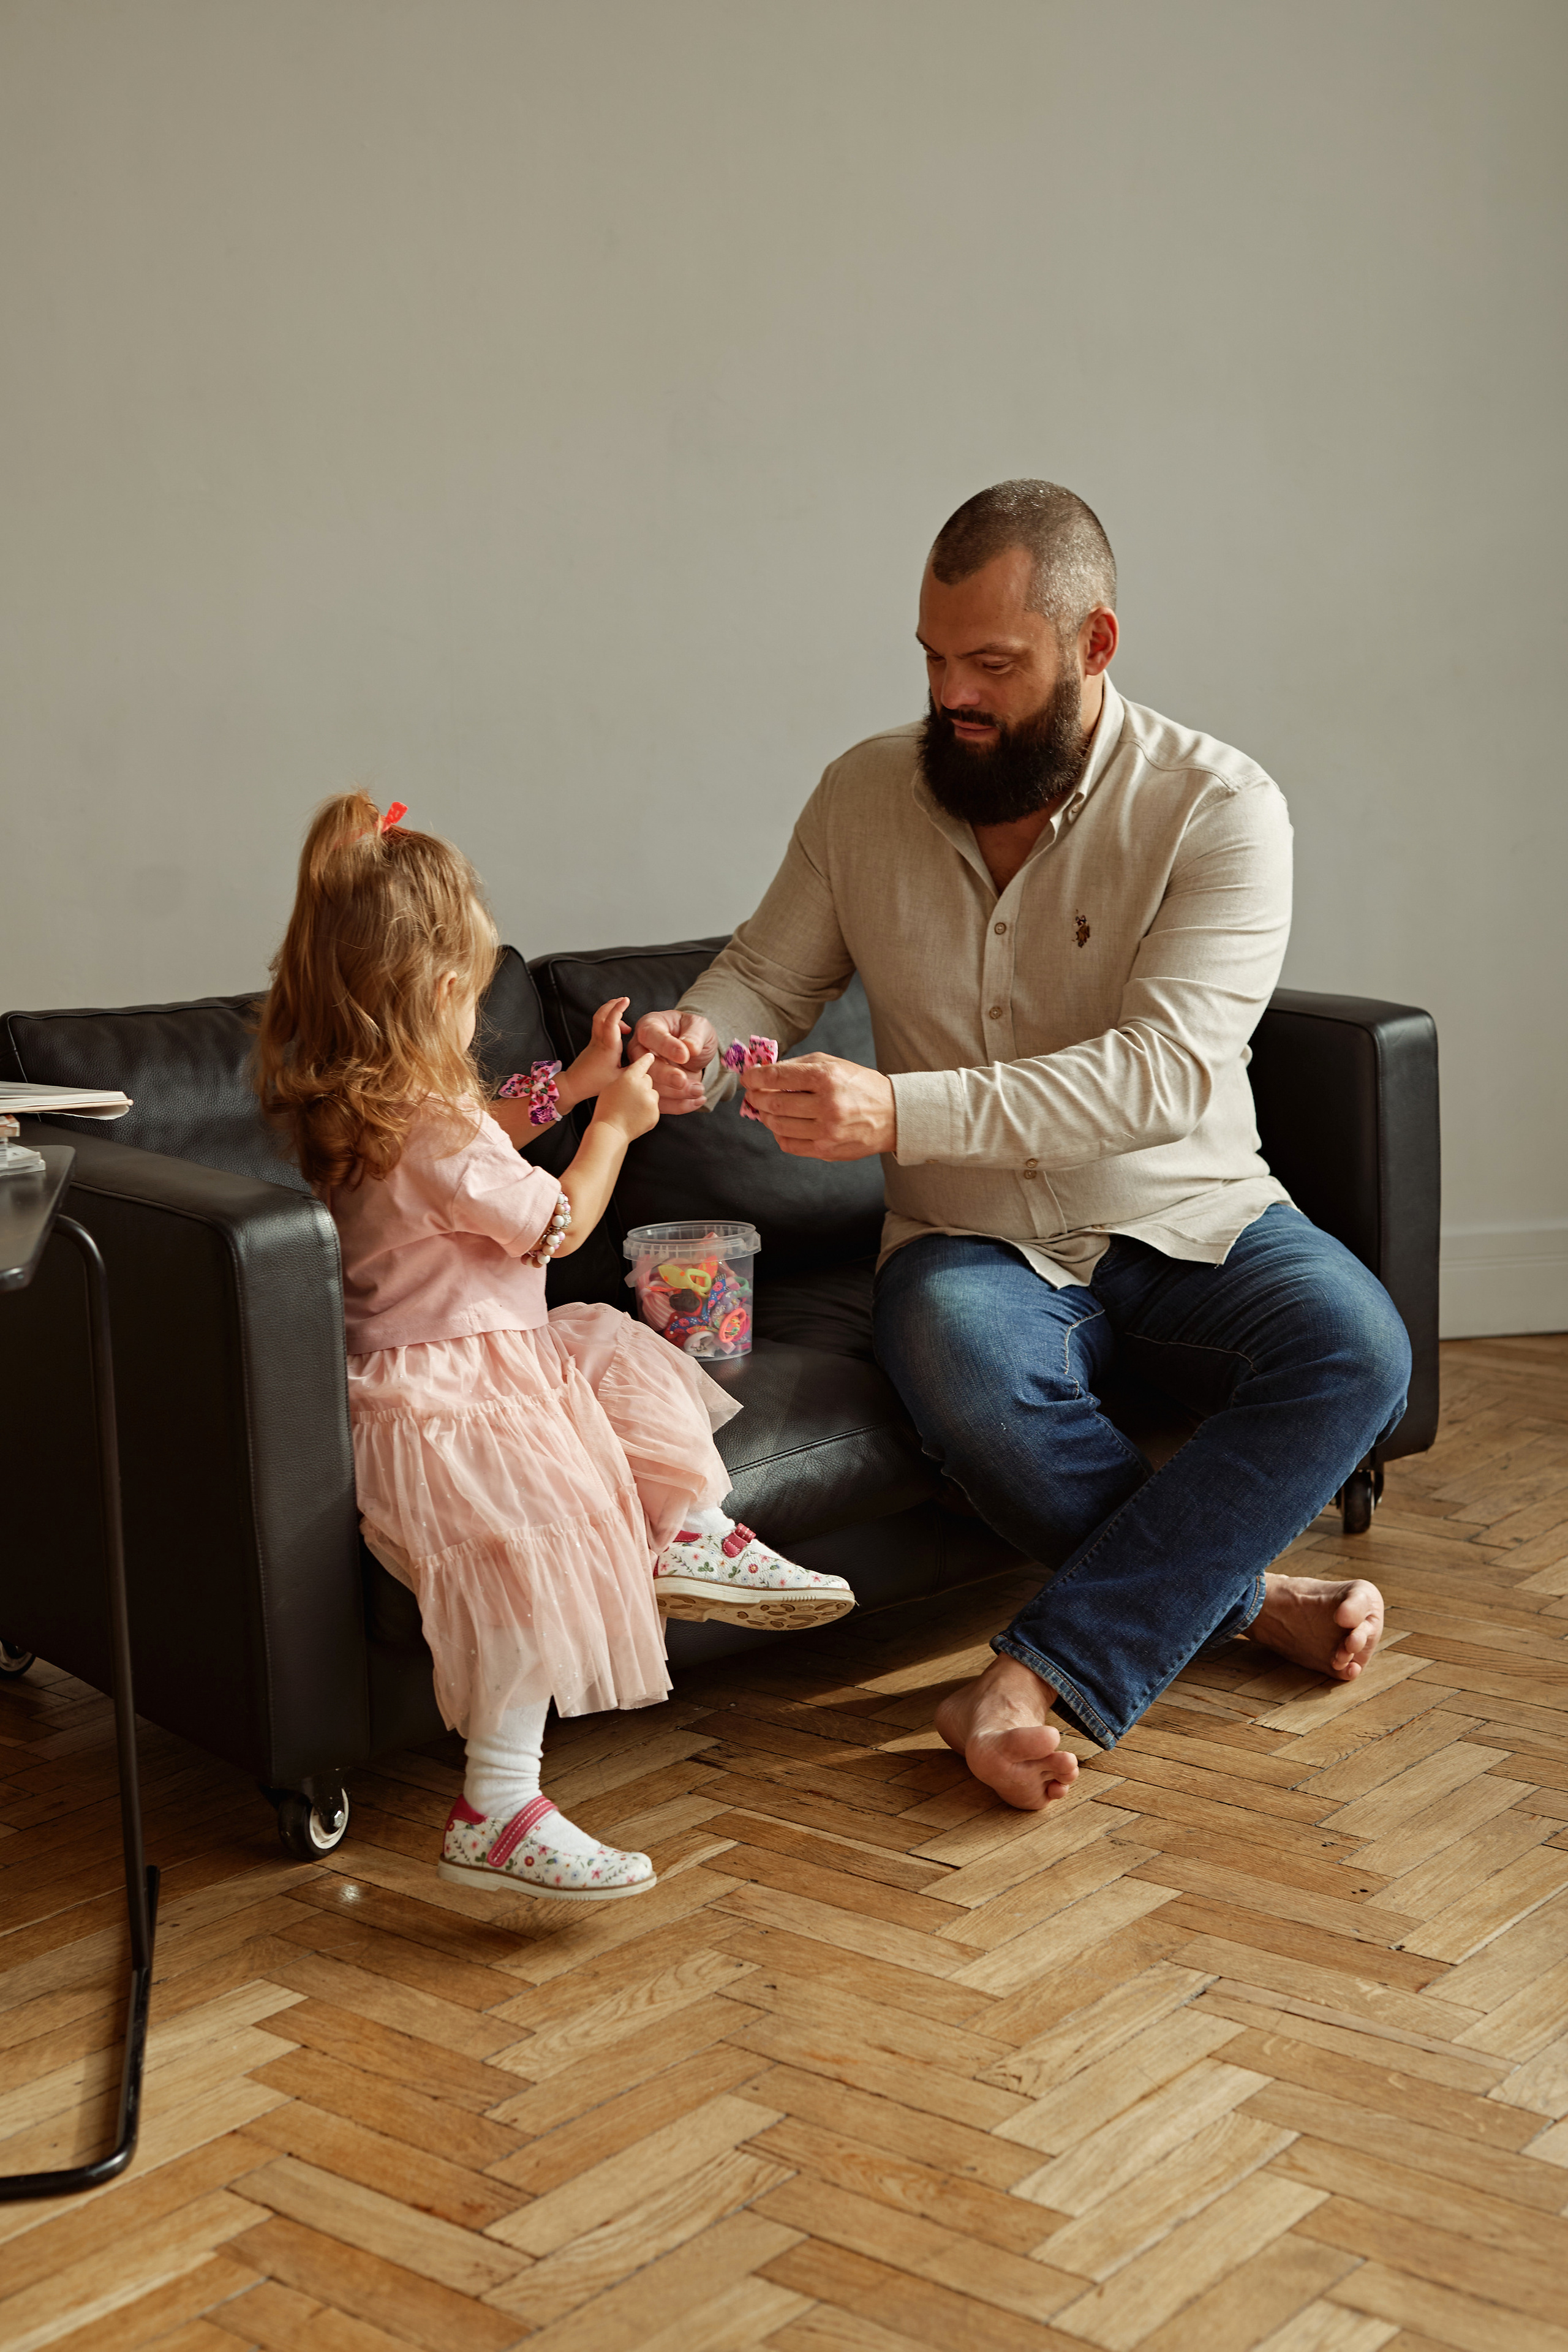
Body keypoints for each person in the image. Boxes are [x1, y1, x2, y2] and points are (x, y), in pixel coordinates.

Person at [635, 480, 1411, 1812]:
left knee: (1358, 1353)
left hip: (1191, 1217)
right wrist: (695, 1040)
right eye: (934, 658)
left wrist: (899, 1111)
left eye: (992, 663)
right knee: (958, 1360)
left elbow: (1159, 1076)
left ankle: (1030, 1674)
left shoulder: (1219, 808)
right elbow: (764, 974)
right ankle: (1244, 1600)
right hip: (967, 1244)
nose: (954, 695)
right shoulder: (862, 793)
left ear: (1093, 645)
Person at [255, 793, 853, 1900]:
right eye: (474, 992)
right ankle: (497, 1805)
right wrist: (617, 1126)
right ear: (438, 992)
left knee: (619, 1360)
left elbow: (486, 1126)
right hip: (453, 1396)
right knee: (530, 1558)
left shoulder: (369, 1097)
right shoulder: (429, 1125)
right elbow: (558, 1220)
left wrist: (578, 1081)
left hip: (474, 1359)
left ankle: (689, 1534)